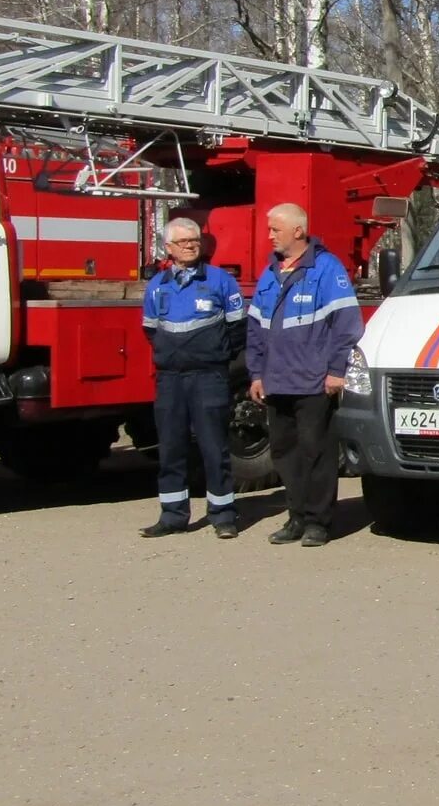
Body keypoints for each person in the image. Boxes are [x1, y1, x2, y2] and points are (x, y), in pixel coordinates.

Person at [247, 202, 364, 547]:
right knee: (285, 453)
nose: (269, 235)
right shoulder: (270, 273)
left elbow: (347, 325)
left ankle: (318, 522)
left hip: (313, 381)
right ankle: (296, 517)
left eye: (275, 229)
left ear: (298, 231)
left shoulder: (326, 269)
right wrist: (256, 374)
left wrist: (335, 371)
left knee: (317, 452)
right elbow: (255, 329)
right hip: (276, 380)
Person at [139, 217, 247, 539]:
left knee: (214, 447)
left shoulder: (220, 281)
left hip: (208, 377)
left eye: (194, 240)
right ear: (169, 248)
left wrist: (212, 357)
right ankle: (172, 515)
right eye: (183, 241)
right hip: (170, 379)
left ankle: (223, 514)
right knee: (171, 448)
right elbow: (150, 330)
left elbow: (237, 329)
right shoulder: (157, 285)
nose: (190, 245)